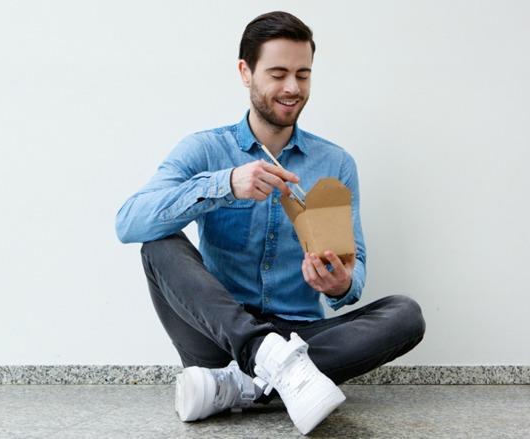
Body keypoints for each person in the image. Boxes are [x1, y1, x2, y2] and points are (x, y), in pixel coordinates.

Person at [116, 11, 425, 435]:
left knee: (406, 315)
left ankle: (238, 386)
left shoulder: (335, 164)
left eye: (303, 74)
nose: (293, 88)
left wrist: (340, 285)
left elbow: (356, 271)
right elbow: (129, 222)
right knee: (158, 244)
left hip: (301, 337)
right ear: (246, 72)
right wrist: (226, 183)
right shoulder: (204, 150)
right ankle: (263, 361)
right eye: (278, 73)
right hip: (217, 334)